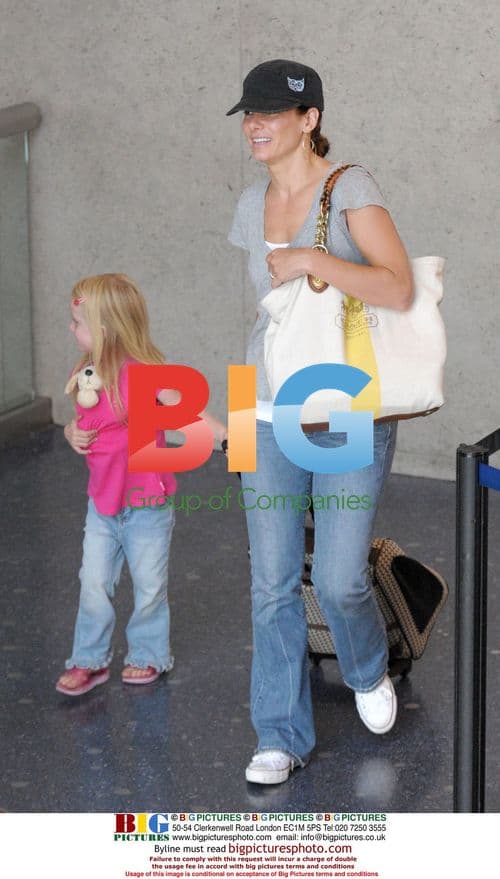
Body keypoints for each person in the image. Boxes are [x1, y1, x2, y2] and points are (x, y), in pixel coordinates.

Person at [227, 60, 414, 784]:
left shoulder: (351, 187)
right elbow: (267, 314)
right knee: (270, 581)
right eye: (249, 113)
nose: (256, 124)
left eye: (271, 112)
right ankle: (279, 732)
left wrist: (313, 257)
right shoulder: (250, 204)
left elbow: (396, 286)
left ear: (309, 120)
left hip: (343, 406)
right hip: (263, 403)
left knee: (337, 579)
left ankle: (367, 669)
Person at [56, 273, 226, 696]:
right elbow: (83, 423)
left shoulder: (147, 374)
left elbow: (189, 413)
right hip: (102, 504)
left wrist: (231, 439)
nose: (71, 330)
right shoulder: (86, 370)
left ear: (106, 329)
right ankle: (89, 661)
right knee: (93, 582)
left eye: (78, 323)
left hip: (147, 506)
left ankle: (148, 655)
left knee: (149, 586)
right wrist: (70, 434)